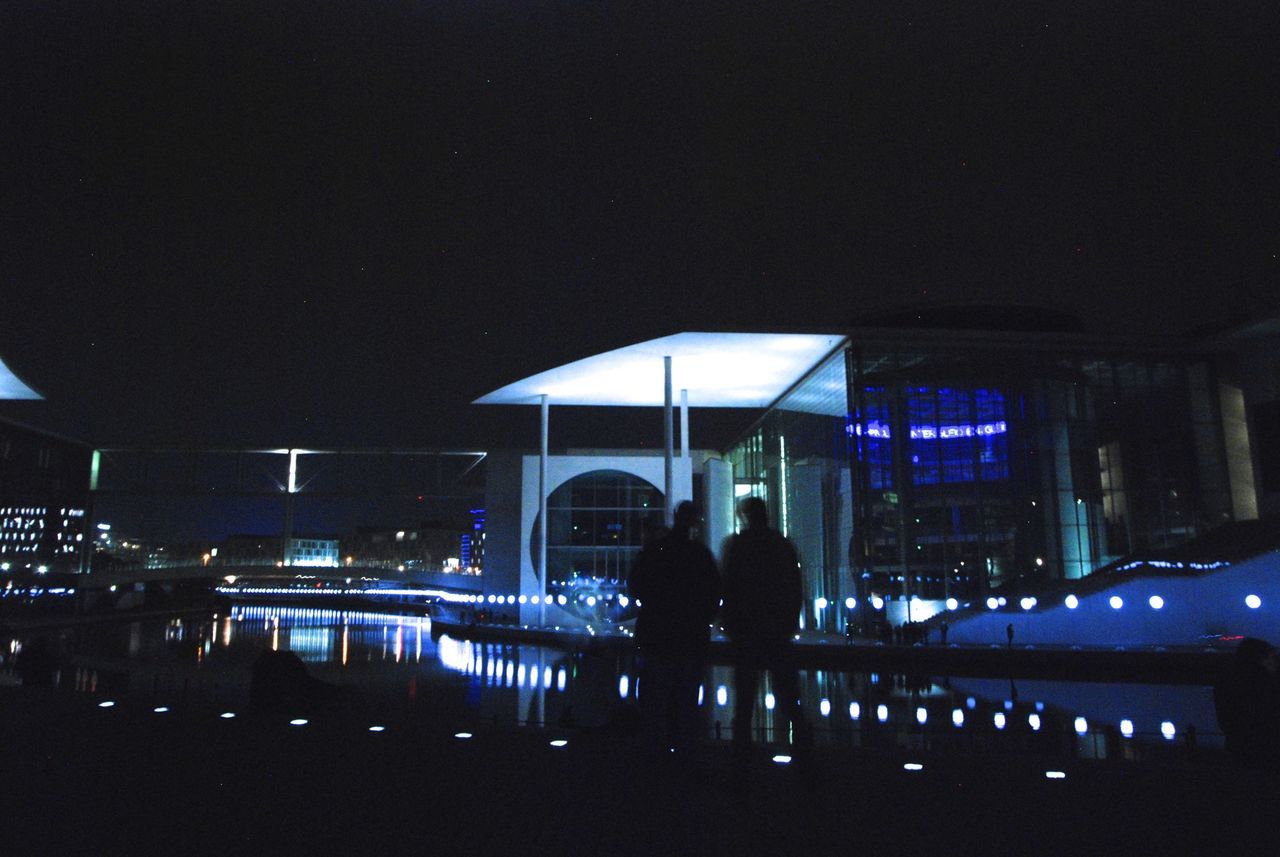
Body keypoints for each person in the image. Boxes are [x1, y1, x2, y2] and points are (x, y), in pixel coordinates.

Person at [628, 501, 720, 755]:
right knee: (687, 700)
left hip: (657, 635)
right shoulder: (700, 554)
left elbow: (635, 585)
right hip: (690, 637)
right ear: (695, 522)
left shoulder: (656, 550)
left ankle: (654, 753)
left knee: (654, 699)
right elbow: (714, 592)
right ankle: (684, 751)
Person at [720, 497, 808, 758]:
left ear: (745, 516)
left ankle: (742, 760)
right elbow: (795, 586)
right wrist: (789, 621)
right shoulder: (781, 544)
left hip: (747, 633)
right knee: (790, 700)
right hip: (777, 631)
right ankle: (804, 756)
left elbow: (729, 586)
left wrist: (730, 623)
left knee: (744, 703)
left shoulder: (738, 545)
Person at [1214, 637, 1280, 769]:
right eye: (1272, 658)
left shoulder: (1227, 683)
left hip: (1238, 749)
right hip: (1268, 751)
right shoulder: (1266, 686)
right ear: (1262, 660)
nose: (1276, 663)